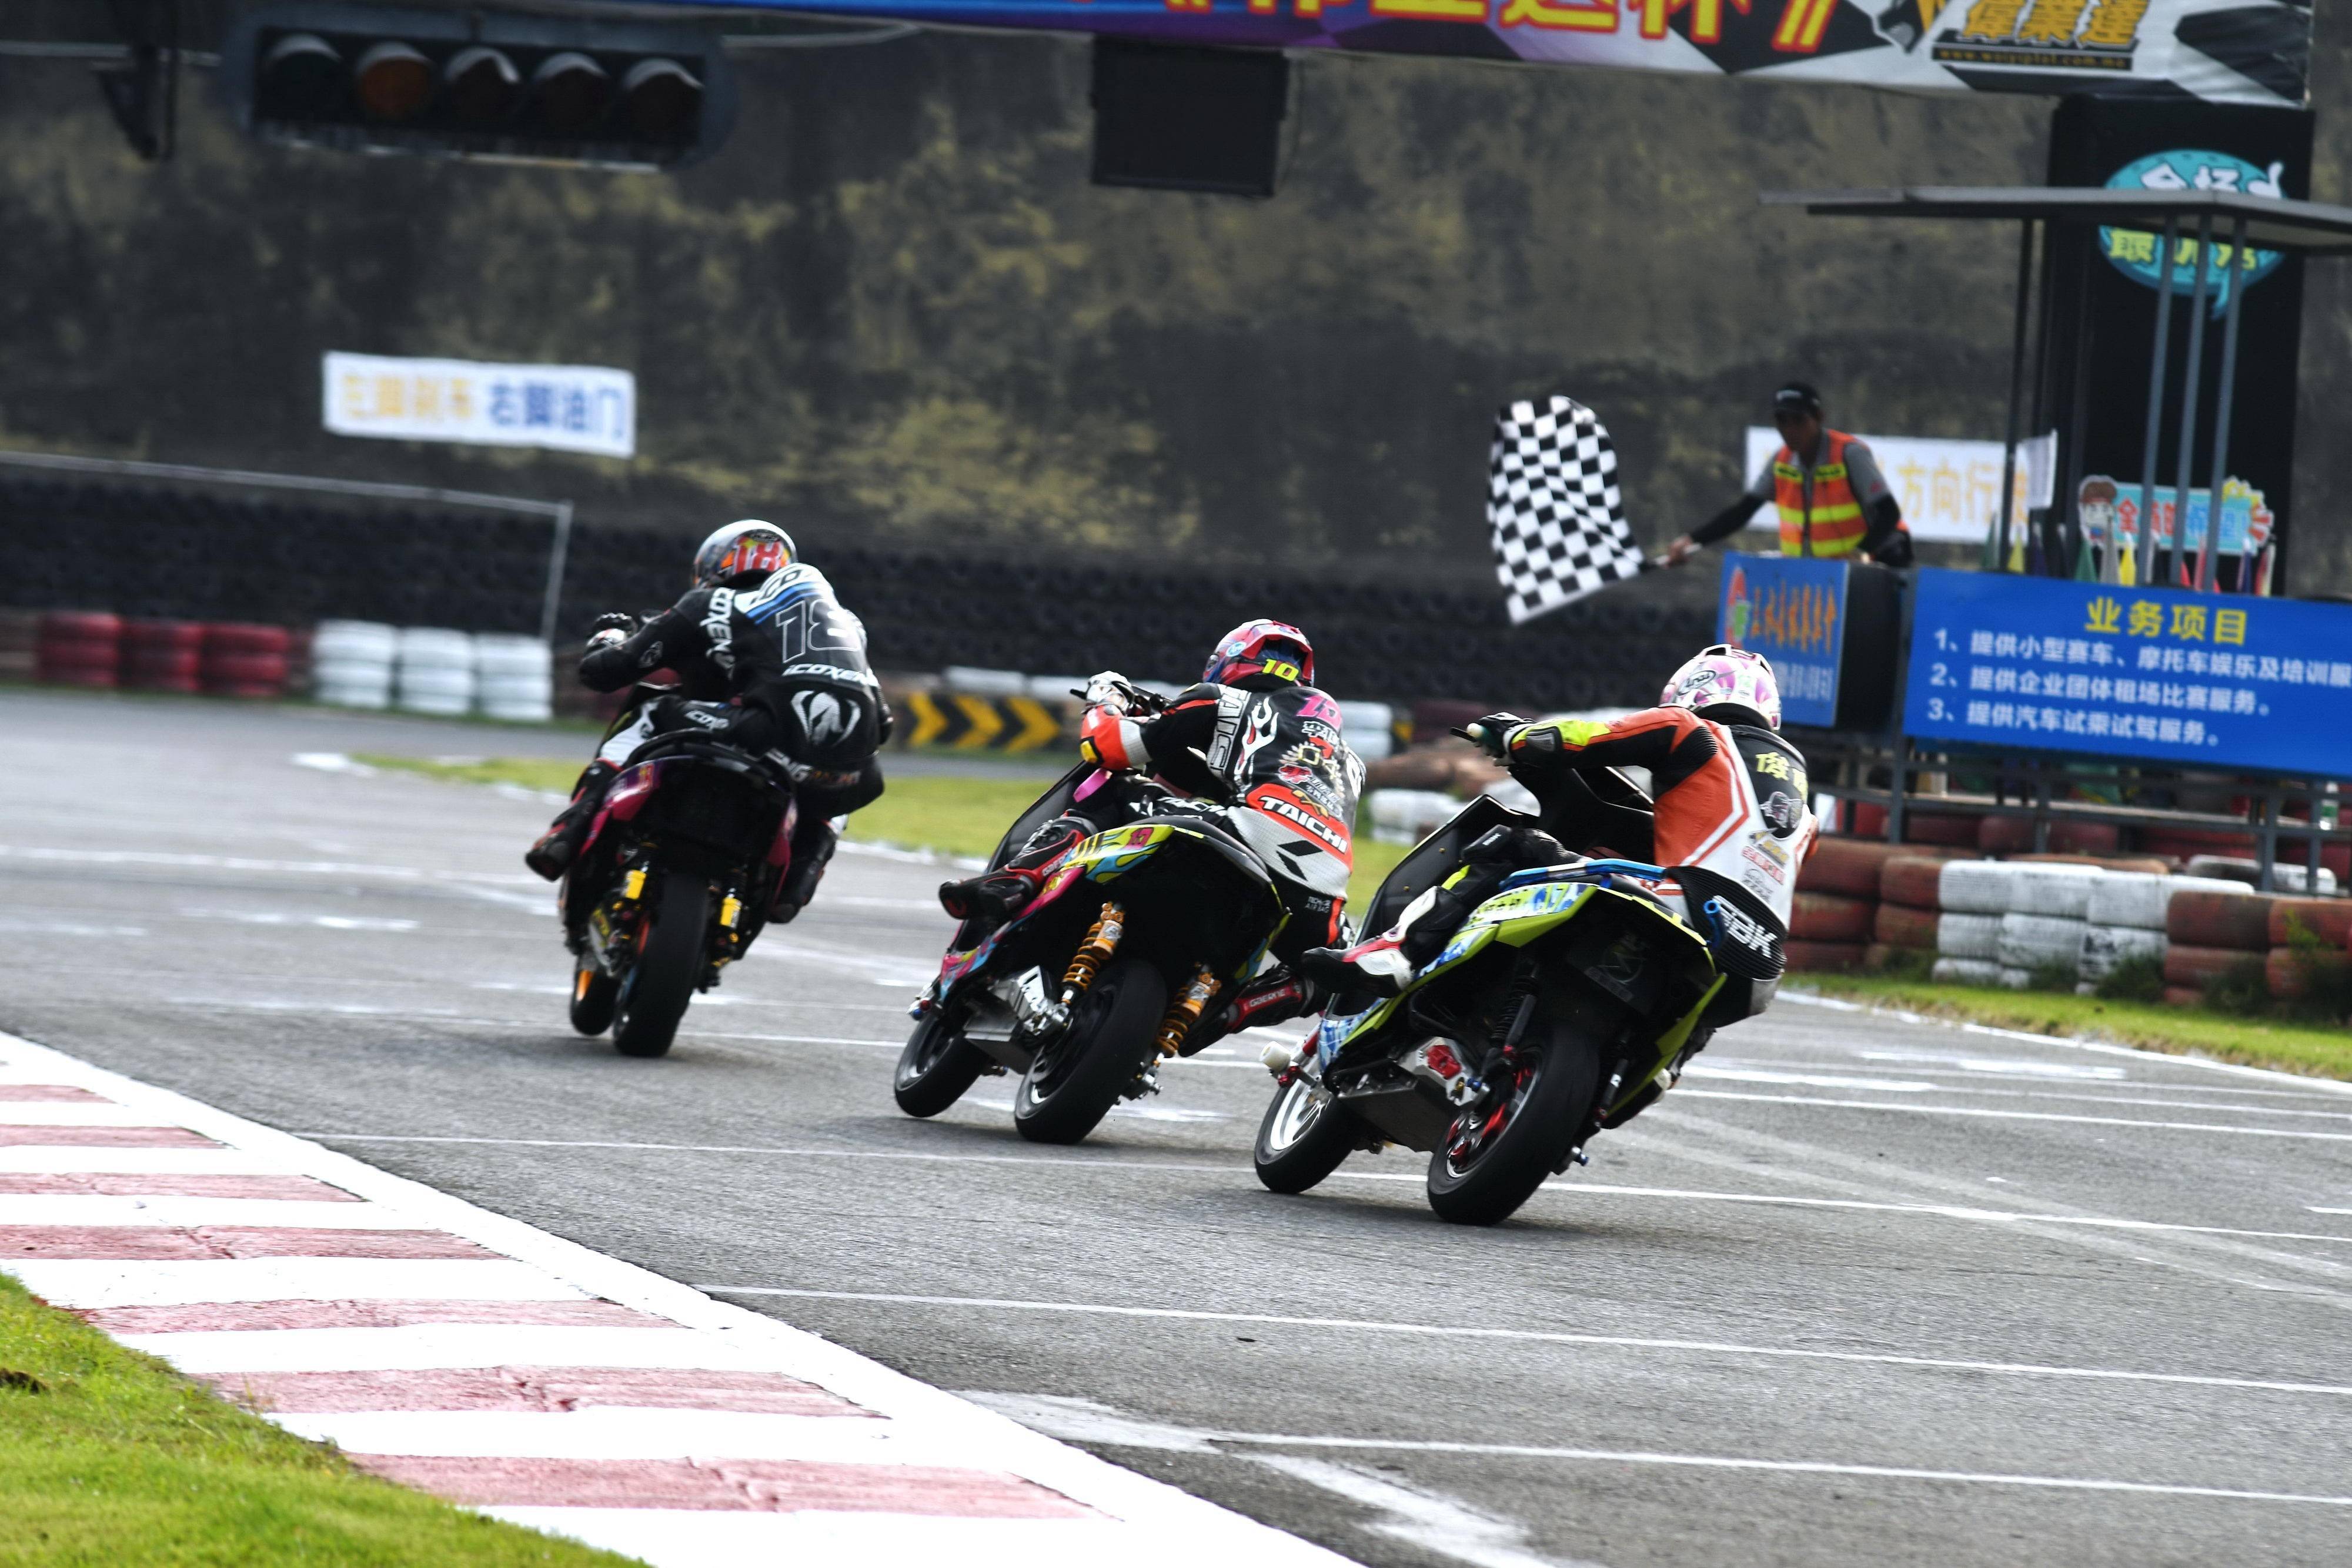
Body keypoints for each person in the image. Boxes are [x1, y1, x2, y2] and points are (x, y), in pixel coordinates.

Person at [1301, 645, 1815, 999]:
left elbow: (1586, 737)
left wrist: (1514, 737)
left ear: (1693, 690)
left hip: (1684, 902)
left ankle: (1398, 952)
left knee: (1513, 844)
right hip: (1758, 966)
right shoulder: (1804, 808)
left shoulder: (1690, 729)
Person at [935, 619, 1358, 1035]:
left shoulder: (1222, 699)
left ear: (1229, 662)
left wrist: (1106, 700)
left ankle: (1016, 881)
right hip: (1322, 892)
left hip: (1250, 833)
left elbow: (1105, 747)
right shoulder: (1347, 760)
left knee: (1116, 789)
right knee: (1330, 969)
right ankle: (1228, 1013)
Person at [524, 520, 887, 924]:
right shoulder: (845, 622)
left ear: (714, 566)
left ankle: (569, 830)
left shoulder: (712, 603)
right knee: (843, 767)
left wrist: (608, 636)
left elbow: (604, 672)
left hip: (761, 731)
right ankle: (800, 878)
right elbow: (883, 721)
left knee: (651, 711)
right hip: (858, 771)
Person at [1666, 382, 1913, 569]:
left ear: (1819, 418)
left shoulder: (1849, 454)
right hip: (1817, 574)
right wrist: (1690, 541)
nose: (1790, 429)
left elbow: (1889, 514)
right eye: (1782, 421)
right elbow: (1741, 513)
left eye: (1798, 420)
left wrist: (1860, 553)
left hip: (1872, 566)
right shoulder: (1781, 462)